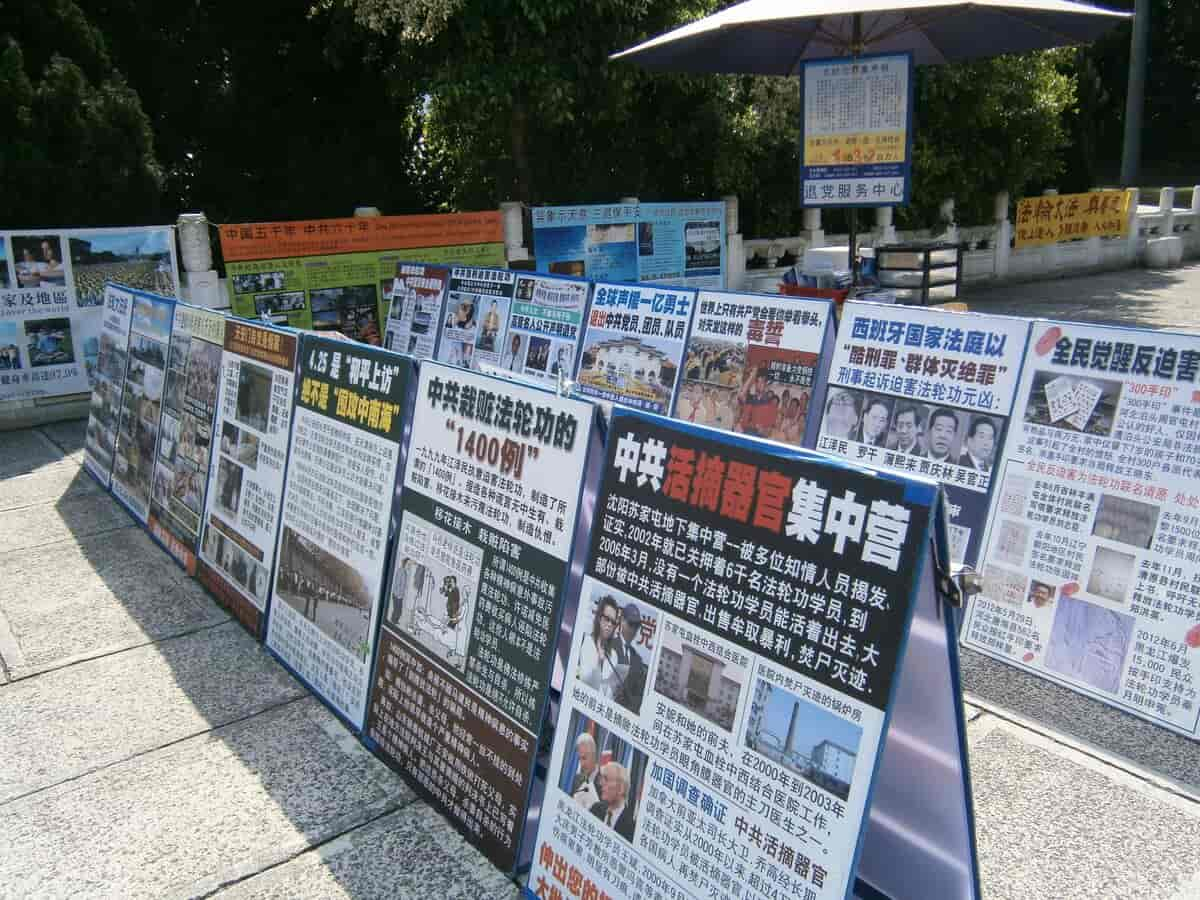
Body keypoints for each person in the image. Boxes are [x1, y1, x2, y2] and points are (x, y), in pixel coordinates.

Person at [578, 595, 621, 698]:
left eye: (613, 622)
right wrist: (599, 663)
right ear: (598, 618)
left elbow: (609, 694)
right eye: (607, 619)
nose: (610, 625)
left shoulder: (613, 656)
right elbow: (584, 679)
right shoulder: (586, 641)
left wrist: (615, 688)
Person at [612, 603, 647, 715]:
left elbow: (639, 696)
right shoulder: (607, 645)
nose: (633, 630)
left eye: (636, 626)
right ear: (622, 621)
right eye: (630, 624)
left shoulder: (638, 661)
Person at [590, 762, 635, 842]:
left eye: (606, 779)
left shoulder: (631, 828)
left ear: (621, 789)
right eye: (602, 779)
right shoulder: (595, 809)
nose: (601, 783)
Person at [736, 368, 775, 437]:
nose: (759, 384)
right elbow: (741, 395)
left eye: (762, 382)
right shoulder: (750, 399)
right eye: (757, 382)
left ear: (766, 384)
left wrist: (762, 430)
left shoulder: (770, 406)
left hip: (757, 437)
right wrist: (751, 376)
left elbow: (769, 432)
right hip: (743, 433)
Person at [570, 733, 600, 809]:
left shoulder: (605, 785)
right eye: (579, 759)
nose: (581, 763)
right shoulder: (577, 779)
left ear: (594, 755)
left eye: (584, 758)